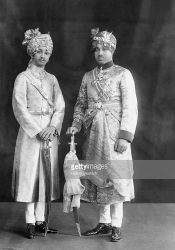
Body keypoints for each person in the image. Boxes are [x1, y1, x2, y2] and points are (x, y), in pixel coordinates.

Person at [66, 28, 138, 242]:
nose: (100, 53)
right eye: (97, 49)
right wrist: (76, 124)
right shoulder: (88, 77)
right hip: (93, 134)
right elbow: (80, 104)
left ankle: (116, 224)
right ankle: (104, 222)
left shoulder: (123, 74)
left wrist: (125, 136)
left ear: (113, 49)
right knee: (99, 177)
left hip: (115, 134)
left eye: (105, 48)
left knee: (116, 177)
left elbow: (130, 107)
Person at [12, 28, 65, 239]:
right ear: (32, 52)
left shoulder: (52, 79)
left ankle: (42, 220)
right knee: (30, 175)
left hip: (49, 133)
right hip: (30, 133)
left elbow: (60, 106)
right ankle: (29, 221)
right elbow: (19, 107)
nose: (43, 56)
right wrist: (37, 130)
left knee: (46, 175)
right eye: (39, 51)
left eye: (47, 52)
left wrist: (52, 127)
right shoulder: (23, 78)